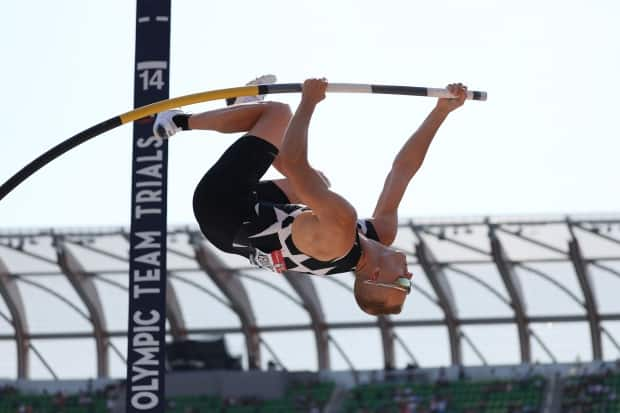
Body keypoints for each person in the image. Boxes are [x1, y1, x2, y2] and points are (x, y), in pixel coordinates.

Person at [153, 75, 468, 315]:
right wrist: (441, 113)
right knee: (317, 183)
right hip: (246, 224)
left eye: (402, 282)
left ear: (373, 274)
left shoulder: (338, 231)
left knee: (279, 115)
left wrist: (309, 101)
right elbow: (402, 171)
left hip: (223, 208)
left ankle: (175, 121)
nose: (409, 274)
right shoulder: (380, 232)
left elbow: (292, 161)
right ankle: (244, 108)